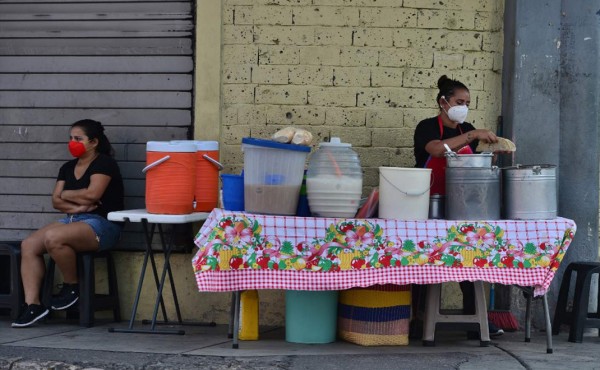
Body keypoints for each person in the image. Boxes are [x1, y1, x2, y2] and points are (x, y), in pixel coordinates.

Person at [413, 75, 504, 338]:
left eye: (467, 102)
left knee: (468, 259)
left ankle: (474, 321)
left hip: (461, 204)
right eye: (459, 101)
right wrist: (472, 135)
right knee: (423, 261)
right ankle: (419, 319)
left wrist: (489, 152)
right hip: (428, 203)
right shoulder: (427, 127)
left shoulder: (467, 128)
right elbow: (436, 150)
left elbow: (468, 167)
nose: (463, 107)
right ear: (443, 102)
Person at [12, 119, 124, 328]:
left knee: (53, 238)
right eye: (71, 138)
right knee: (29, 245)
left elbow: (93, 194)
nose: (72, 142)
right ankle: (33, 305)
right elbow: (55, 201)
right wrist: (78, 207)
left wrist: (67, 194)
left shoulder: (104, 163)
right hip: (74, 218)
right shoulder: (67, 167)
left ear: (93, 142)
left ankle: (73, 288)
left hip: (104, 224)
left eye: (78, 139)